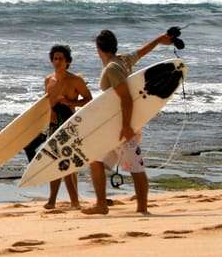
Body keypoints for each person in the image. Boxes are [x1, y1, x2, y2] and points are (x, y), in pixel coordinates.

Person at [82, 29, 175, 216]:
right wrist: (159, 39)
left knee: (135, 167)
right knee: (95, 160)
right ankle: (102, 205)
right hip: (114, 127)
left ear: (98, 48)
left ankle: (142, 209)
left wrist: (126, 127)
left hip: (122, 127)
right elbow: (142, 51)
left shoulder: (112, 68)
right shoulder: (123, 60)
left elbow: (126, 99)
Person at [23, 44, 92, 209]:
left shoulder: (75, 80)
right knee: (56, 162)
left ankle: (71, 202)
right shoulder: (48, 80)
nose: (57, 61)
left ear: (68, 62)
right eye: (55, 58)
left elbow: (89, 100)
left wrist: (70, 102)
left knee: (63, 163)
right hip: (52, 124)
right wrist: (49, 114)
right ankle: (57, 201)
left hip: (68, 124)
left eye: (61, 58)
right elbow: (47, 101)